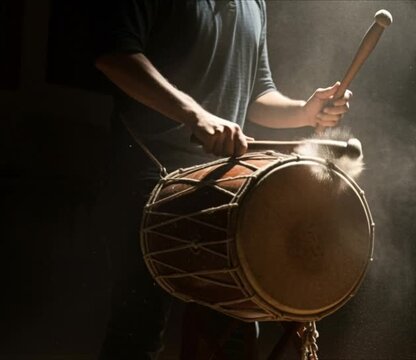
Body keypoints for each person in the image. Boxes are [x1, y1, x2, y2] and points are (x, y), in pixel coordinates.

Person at [93, 1, 352, 358]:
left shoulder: (254, 3)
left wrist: (304, 111)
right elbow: (115, 56)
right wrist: (194, 114)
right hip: (147, 169)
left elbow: (258, 92)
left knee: (235, 333)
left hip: (221, 182)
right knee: (138, 327)